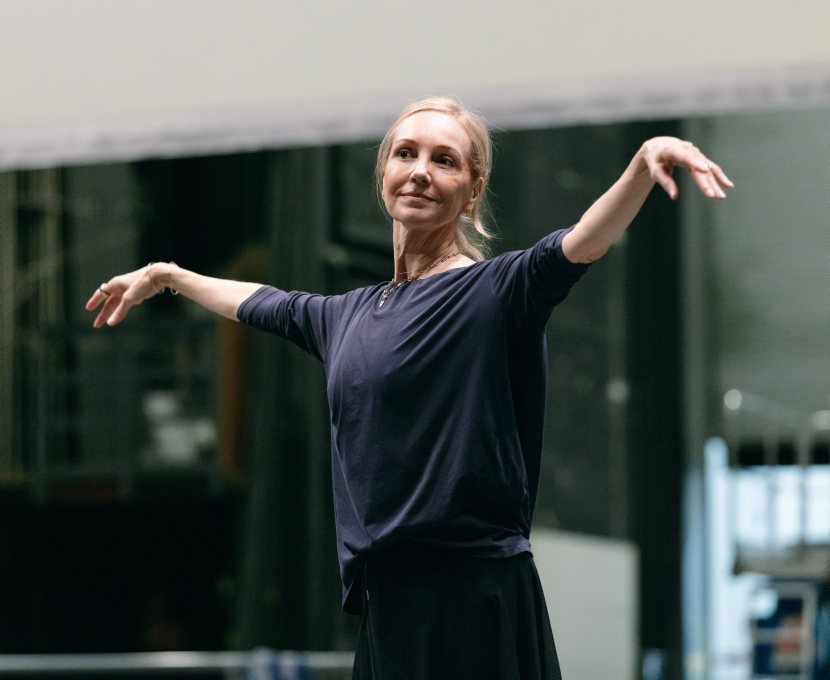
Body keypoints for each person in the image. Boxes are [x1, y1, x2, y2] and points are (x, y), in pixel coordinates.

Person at [86, 96, 732, 679]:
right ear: (384, 174)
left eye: (445, 160)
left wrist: (642, 166)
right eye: (407, 153)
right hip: (390, 604)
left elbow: (581, 244)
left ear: (472, 190)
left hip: (477, 599)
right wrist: (169, 275)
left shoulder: (496, 291)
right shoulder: (343, 316)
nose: (421, 170)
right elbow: (262, 301)